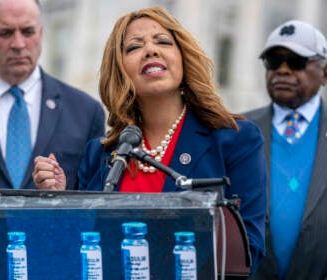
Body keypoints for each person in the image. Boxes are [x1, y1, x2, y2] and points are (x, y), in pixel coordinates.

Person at [33, 6, 267, 273]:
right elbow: (82, 249)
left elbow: (251, 249)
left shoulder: (235, 139)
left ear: (183, 58)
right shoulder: (99, 155)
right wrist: (62, 200)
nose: (151, 50)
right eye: (134, 47)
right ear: (120, 69)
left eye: (163, 41)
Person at [0, 0, 105, 189]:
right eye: (5, 33)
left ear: (41, 33)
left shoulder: (85, 112)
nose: (18, 43)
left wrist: (60, 197)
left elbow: (94, 203)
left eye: (28, 31)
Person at [244, 20, 327, 279]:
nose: (282, 70)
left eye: (295, 62)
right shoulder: (237, 131)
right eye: (273, 61)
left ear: (324, 73)